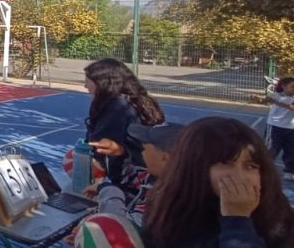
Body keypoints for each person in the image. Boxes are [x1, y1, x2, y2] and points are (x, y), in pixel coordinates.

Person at [143, 117, 294, 247]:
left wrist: (238, 219)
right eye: (225, 163)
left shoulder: (277, 215)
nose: (239, 176)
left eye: (251, 166)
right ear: (194, 167)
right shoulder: (170, 215)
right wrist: (237, 221)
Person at [84, 58, 165, 192]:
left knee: (76, 156)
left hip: (132, 175)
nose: (85, 86)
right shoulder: (140, 100)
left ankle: (100, 189)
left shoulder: (116, 106)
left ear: (101, 83)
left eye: (88, 81)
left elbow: (97, 144)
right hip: (148, 169)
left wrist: (103, 186)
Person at [92, 122, 186, 226]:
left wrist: (108, 189)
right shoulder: (155, 178)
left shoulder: (166, 200)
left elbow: (122, 227)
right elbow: (126, 177)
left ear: (164, 158)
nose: (142, 150)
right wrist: (119, 154)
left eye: (145, 147)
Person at [259, 77, 294, 181]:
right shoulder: (275, 95)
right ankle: (265, 170)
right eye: (292, 87)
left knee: (291, 151)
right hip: (274, 126)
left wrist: (274, 101)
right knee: (271, 150)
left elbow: (291, 107)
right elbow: (264, 101)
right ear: (283, 86)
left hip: (291, 128)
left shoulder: (276, 98)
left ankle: (290, 171)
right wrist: (257, 99)